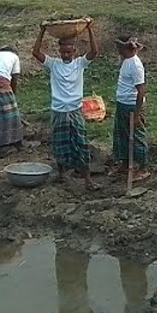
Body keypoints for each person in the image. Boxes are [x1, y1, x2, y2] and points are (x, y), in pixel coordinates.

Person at [31, 22, 99, 190]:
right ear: (59, 52)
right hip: (59, 110)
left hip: (75, 110)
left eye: (69, 52)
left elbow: (94, 52)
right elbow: (35, 52)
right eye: (63, 52)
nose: (66, 55)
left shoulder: (79, 64)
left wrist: (89, 30)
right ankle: (61, 174)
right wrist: (42, 31)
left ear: (75, 51)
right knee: (59, 143)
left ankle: (88, 180)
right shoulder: (54, 64)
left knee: (81, 143)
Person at [113, 36, 149, 183]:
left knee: (137, 137)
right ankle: (125, 163)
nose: (117, 50)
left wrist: (137, 114)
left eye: (119, 47)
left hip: (131, 106)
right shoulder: (126, 61)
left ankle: (143, 167)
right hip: (122, 104)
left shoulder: (135, 65)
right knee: (122, 135)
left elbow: (141, 90)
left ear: (125, 48)